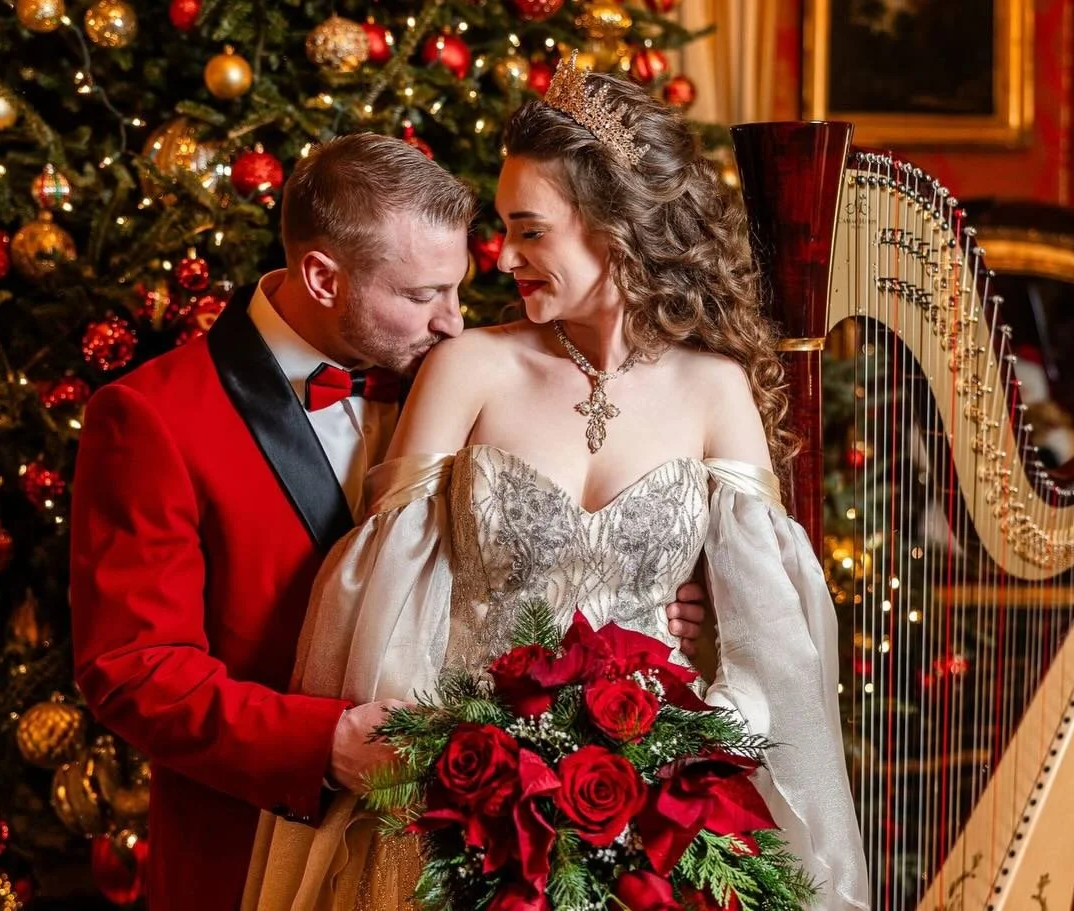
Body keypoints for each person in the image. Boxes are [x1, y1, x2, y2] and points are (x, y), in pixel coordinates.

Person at [243, 57, 870, 911]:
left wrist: (682, 749)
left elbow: (775, 645)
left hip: (661, 828)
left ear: (612, 225)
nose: (503, 259)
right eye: (503, 229)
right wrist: (465, 778)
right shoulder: (467, 369)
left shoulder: (713, 388)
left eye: (529, 231)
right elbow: (383, 607)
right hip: (464, 816)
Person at [68, 131, 711, 910]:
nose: (453, 321)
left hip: (464, 856)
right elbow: (134, 669)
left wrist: (656, 596)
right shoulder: (152, 417)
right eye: (420, 296)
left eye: (459, 287)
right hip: (244, 855)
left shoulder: (476, 375)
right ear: (321, 275)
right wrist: (326, 745)